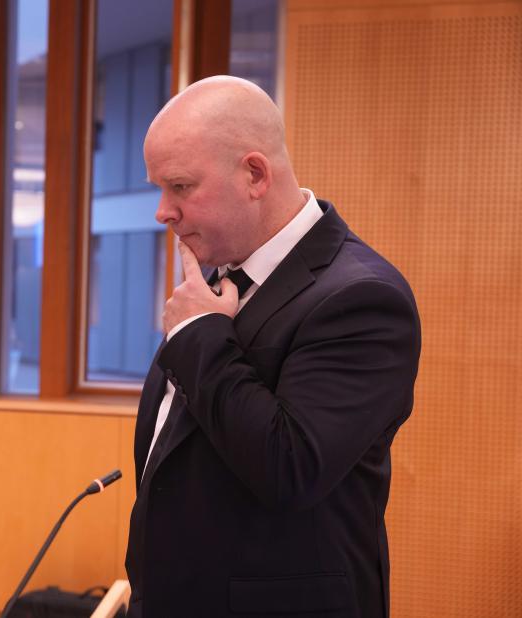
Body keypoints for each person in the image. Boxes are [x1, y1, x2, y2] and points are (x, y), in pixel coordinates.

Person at [125, 76, 421, 616]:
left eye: (181, 186)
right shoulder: (217, 279)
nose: (163, 211)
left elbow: (291, 468)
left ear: (255, 175)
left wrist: (199, 336)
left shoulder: (362, 297)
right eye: (159, 189)